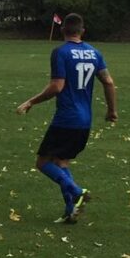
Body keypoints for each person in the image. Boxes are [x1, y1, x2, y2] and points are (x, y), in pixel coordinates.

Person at [17, 13, 117, 224]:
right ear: (83, 31)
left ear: (63, 30)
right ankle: (70, 211)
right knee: (61, 162)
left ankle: (77, 192)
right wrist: (111, 111)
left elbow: (57, 86)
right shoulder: (94, 53)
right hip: (84, 121)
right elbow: (108, 82)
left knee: (43, 163)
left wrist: (31, 102)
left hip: (66, 119)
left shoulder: (61, 52)